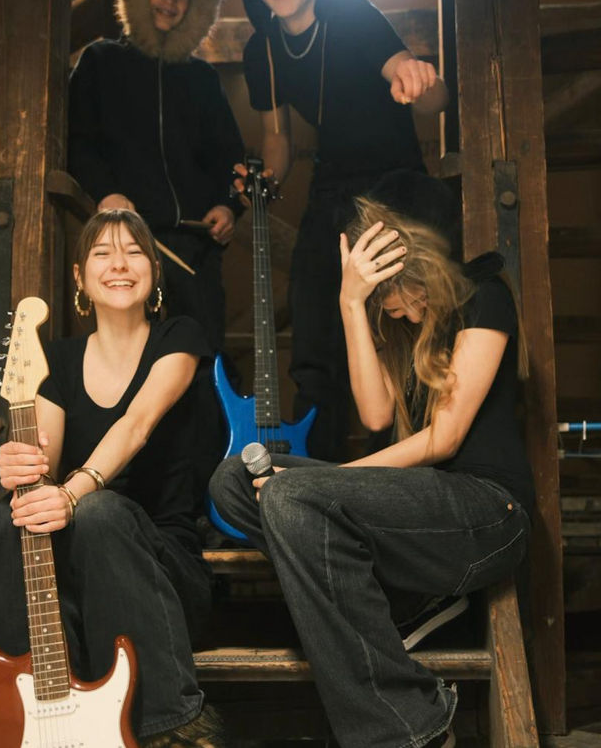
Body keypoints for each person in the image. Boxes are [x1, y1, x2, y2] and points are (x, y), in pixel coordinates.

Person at [209, 171, 534, 748]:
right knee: (232, 481)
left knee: (289, 493)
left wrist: (321, 485)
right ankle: (394, 618)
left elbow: (444, 439)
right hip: (415, 511)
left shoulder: (487, 298)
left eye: (393, 289)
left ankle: (405, 731)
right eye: (379, 292)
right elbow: (376, 414)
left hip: (487, 512)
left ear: (419, 264)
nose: (393, 305)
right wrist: (350, 302)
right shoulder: (393, 321)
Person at [0, 210, 224, 748]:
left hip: (161, 576)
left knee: (99, 512)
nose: (120, 264)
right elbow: (45, 458)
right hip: (74, 582)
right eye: (103, 253)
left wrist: (70, 494)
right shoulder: (56, 360)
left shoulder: (180, 337)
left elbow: (137, 424)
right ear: (80, 278)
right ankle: (24, 713)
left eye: (134, 251)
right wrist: (21, 468)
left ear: (154, 271)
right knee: (9, 514)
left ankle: (170, 725)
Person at [233, 0, 450, 461]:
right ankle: (317, 477)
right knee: (314, 336)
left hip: (396, 187)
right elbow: (276, 138)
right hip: (331, 192)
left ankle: (412, 472)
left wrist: (419, 79)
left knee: (404, 332)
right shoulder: (262, 49)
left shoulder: (353, 14)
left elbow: (431, 97)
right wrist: (262, 178)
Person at [68, 0, 244, 354]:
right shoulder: (100, 61)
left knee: (202, 362)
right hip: (126, 244)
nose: (170, 1)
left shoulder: (203, 78)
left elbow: (231, 158)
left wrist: (229, 205)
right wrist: (107, 193)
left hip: (196, 250)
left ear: (197, 4)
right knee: (134, 363)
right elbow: (76, 141)